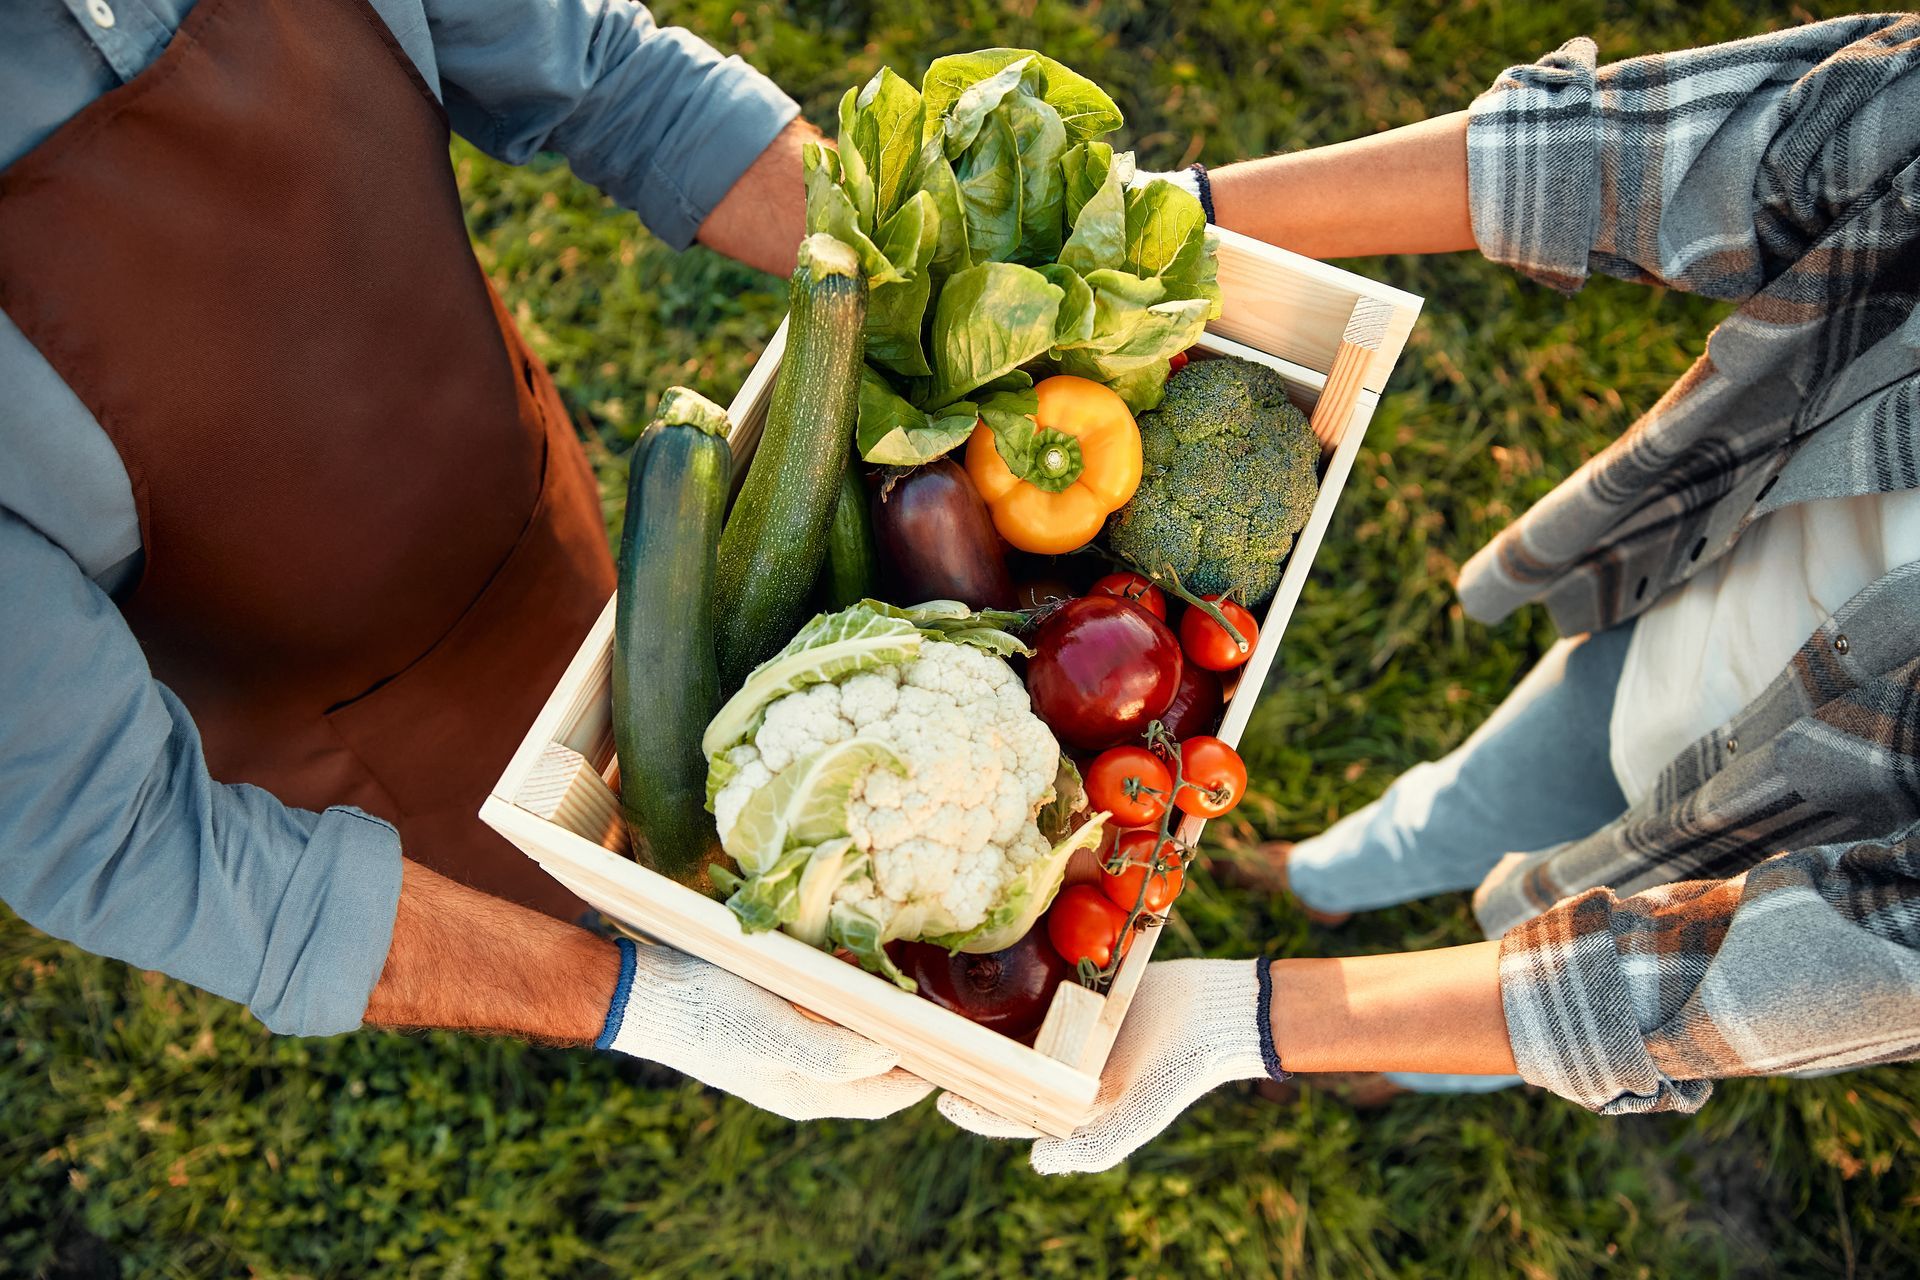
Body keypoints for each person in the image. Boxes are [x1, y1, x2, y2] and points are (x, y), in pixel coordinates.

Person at [942, 13, 1920, 1173]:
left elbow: (1772, 980)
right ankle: (1325, 874)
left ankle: (1405, 1058)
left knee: (1557, 961)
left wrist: (1251, 1021)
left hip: (1794, 831)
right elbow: (1711, 145)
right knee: (1472, 795)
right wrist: (1175, 220)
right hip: (1701, 599)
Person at [0, 0, 929, 1121]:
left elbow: (610, 77)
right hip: (329, 725)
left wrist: (934, 290)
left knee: (629, 731)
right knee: (527, 879)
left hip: (516, 499)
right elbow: (111, 833)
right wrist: (646, 1003)